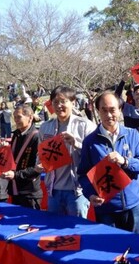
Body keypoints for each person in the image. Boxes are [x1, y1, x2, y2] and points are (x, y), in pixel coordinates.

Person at [78, 91, 139, 233]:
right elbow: (83, 175)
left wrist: (125, 161)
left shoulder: (132, 134)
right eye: (104, 110)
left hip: (133, 205)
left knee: (134, 248)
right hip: (106, 208)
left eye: (112, 110)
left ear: (120, 110)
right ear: (98, 111)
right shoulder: (90, 141)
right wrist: (90, 194)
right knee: (109, 249)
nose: (109, 115)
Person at [39, 86, 96, 218]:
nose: (59, 106)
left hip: (77, 192)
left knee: (76, 232)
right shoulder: (45, 127)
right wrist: (40, 163)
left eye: (63, 101)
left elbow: (94, 156)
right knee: (53, 232)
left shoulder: (86, 126)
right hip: (53, 191)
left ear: (73, 102)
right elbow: (40, 154)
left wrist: (76, 144)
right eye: (55, 102)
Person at [0, 105, 43, 209]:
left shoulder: (37, 137)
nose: (16, 120)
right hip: (15, 190)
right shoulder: (16, 135)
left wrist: (16, 175)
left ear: (30, 117)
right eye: (14, 117)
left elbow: (37, 168)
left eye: (19, 117)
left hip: (30, 193)